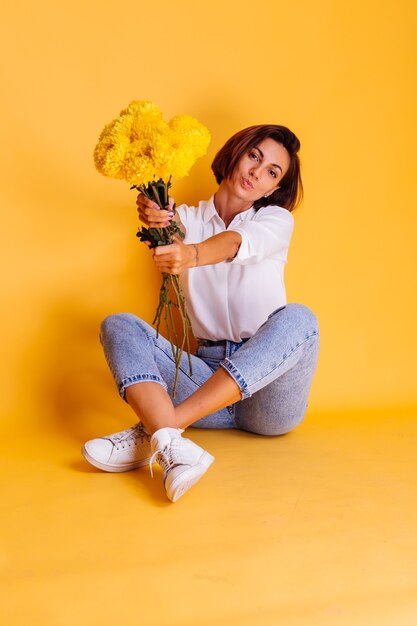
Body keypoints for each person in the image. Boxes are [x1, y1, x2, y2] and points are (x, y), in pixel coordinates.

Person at [82, 124, 320, 502]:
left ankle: (156, 433)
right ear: (236, 153)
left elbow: (233, 243)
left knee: (300, 319)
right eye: (254, 156)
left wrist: (191, 255)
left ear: (274, 188)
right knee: (119, 325)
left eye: (272, 172)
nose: (257, 172)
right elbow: (174, 230)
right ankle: (177, 449)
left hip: (267, 398)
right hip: (205, 385)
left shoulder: (275, 221)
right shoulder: (189, 218)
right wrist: (157, 216)